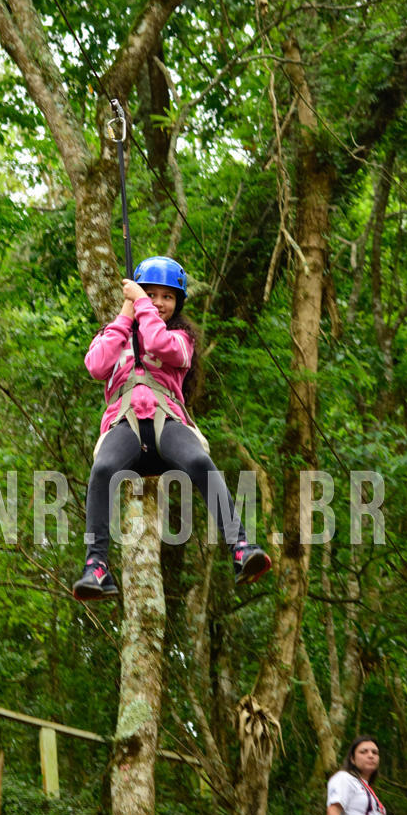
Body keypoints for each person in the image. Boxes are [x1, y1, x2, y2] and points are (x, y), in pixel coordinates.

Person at [72, 255, 272, 601]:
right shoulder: (114, 333)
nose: (159, 303)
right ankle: (97, 565)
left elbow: (161, 347)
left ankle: (240, 545)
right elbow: (96, 365)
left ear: (177, 302)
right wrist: (125, 315)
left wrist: (142, 306)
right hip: (125, 423)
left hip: (168, 420)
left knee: (198, 461)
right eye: (152, 294)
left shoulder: (180, 337)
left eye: (167, 297)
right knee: (102, 469)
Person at [326, 735, 390, 815]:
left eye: (375, 752)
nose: (371, 755)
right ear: (352, 759)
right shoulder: (344, 778)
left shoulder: (363, 785)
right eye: (364, 752)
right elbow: (333, 811)